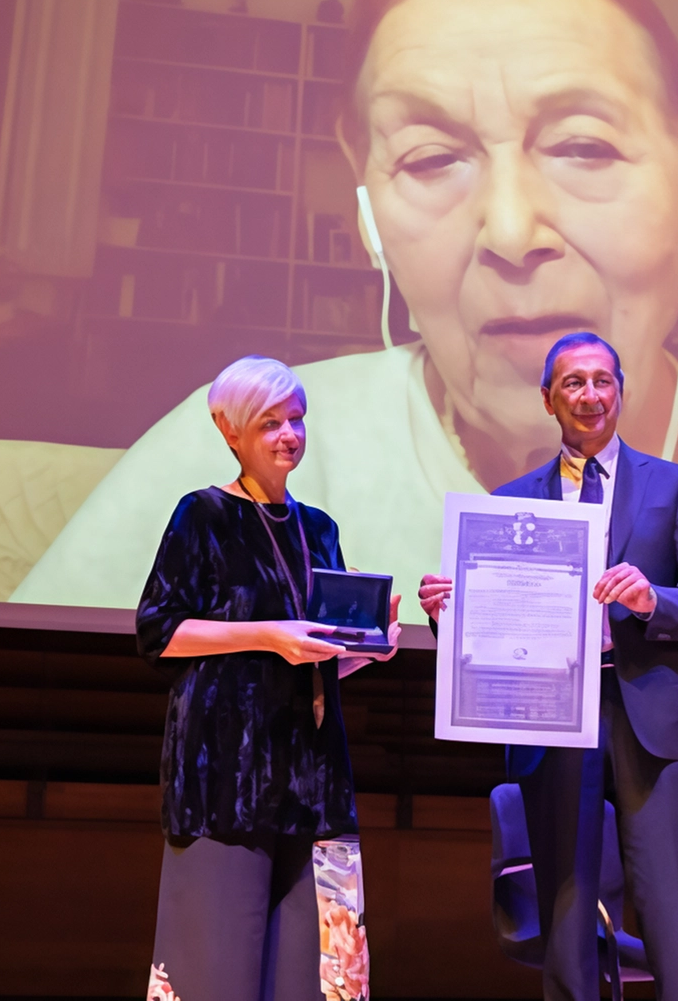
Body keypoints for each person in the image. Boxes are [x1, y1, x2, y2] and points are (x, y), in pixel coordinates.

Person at [13, 0, 678, 659]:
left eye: (583, 146)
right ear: (366, 206)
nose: (508, 229)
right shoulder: (239, 454)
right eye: (432, 158)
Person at [422, 332, 678, 1000]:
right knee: (567, 897)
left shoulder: (669, 486)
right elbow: (490, 624)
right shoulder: (509, 502)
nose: (589, 395)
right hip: (551, 713)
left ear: (620, 390)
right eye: (572, 383)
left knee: (670, 899)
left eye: (602, 381)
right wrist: (449, 611)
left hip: (646, 706)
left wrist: (654, 599)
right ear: (547, 398)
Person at [134, 355, 399, 1001]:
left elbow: (316, 653)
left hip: (314, 776)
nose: (288, 434)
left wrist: (372, 649)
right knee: (214, 974)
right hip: (226, 772)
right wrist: (268, 633)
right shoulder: (202, 515)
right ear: (230, 430)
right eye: (269, 423)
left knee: (322, 977)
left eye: (296, 419)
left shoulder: (319, 528)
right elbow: (157, 630)